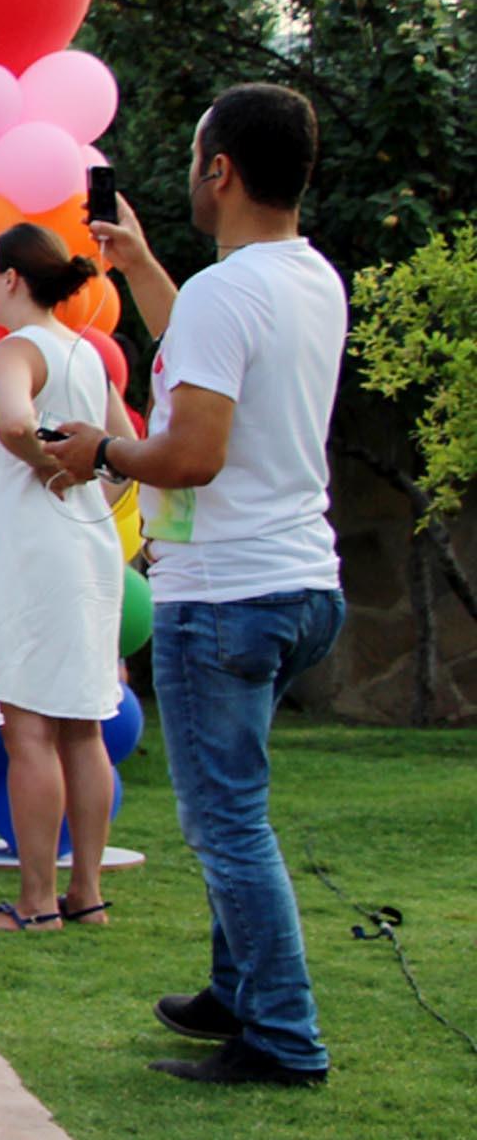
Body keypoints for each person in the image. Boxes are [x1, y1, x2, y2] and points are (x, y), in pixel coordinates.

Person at [42, 85, 346, 1087]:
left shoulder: (230, 291)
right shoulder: (303, 279)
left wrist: (100, 450)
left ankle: (281, 1036)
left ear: (217, 169)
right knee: (235, 806)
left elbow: (194, 450)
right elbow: (205, 371)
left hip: (223, 589)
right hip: (297, 578)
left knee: (224, 818)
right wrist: (138, 269)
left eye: (191, 155)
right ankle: (235, 989)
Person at [0, 224, 124, 933]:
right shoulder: (87, 353)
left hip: (28, 552)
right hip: (86, 547)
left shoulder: (13, 350)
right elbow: (128, 450)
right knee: (81, 725)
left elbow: (12, 423)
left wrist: (52, 466)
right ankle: (84, 893)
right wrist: (90, 485)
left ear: (13, 279)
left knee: (27, 730)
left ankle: (34, 902)